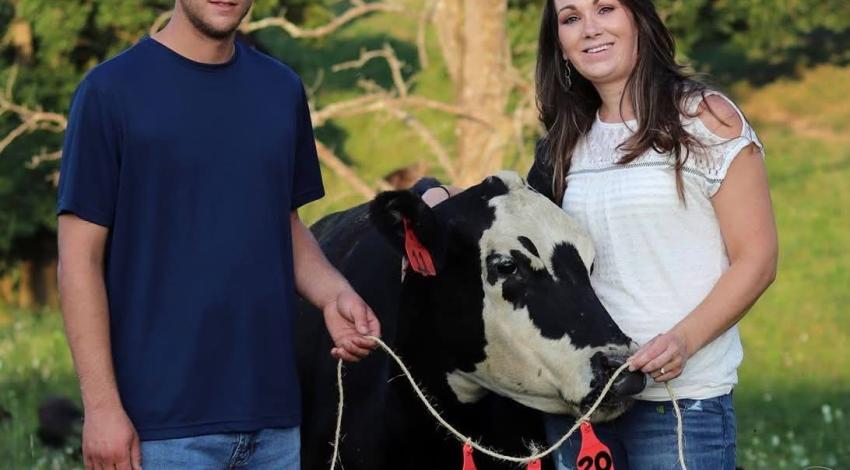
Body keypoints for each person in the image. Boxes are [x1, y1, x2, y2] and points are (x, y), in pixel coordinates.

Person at [423, 0, 777, 468]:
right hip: (581, 405)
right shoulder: (566, 141)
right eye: (570, 18)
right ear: (561, 47)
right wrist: (441, 196)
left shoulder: (705, 118)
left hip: (678, 404)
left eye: (605, 9)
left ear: (638, 20)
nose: (590, 29)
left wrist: (684, 340)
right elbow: (520, 217)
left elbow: (757, 258)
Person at [56, 1, 380, 469]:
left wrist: (334, 295)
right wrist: (102, 408)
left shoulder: (280, 89)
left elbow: (281, 223)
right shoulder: (109, 92)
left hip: (274, 426)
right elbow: (78, 260)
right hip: (159, 430)